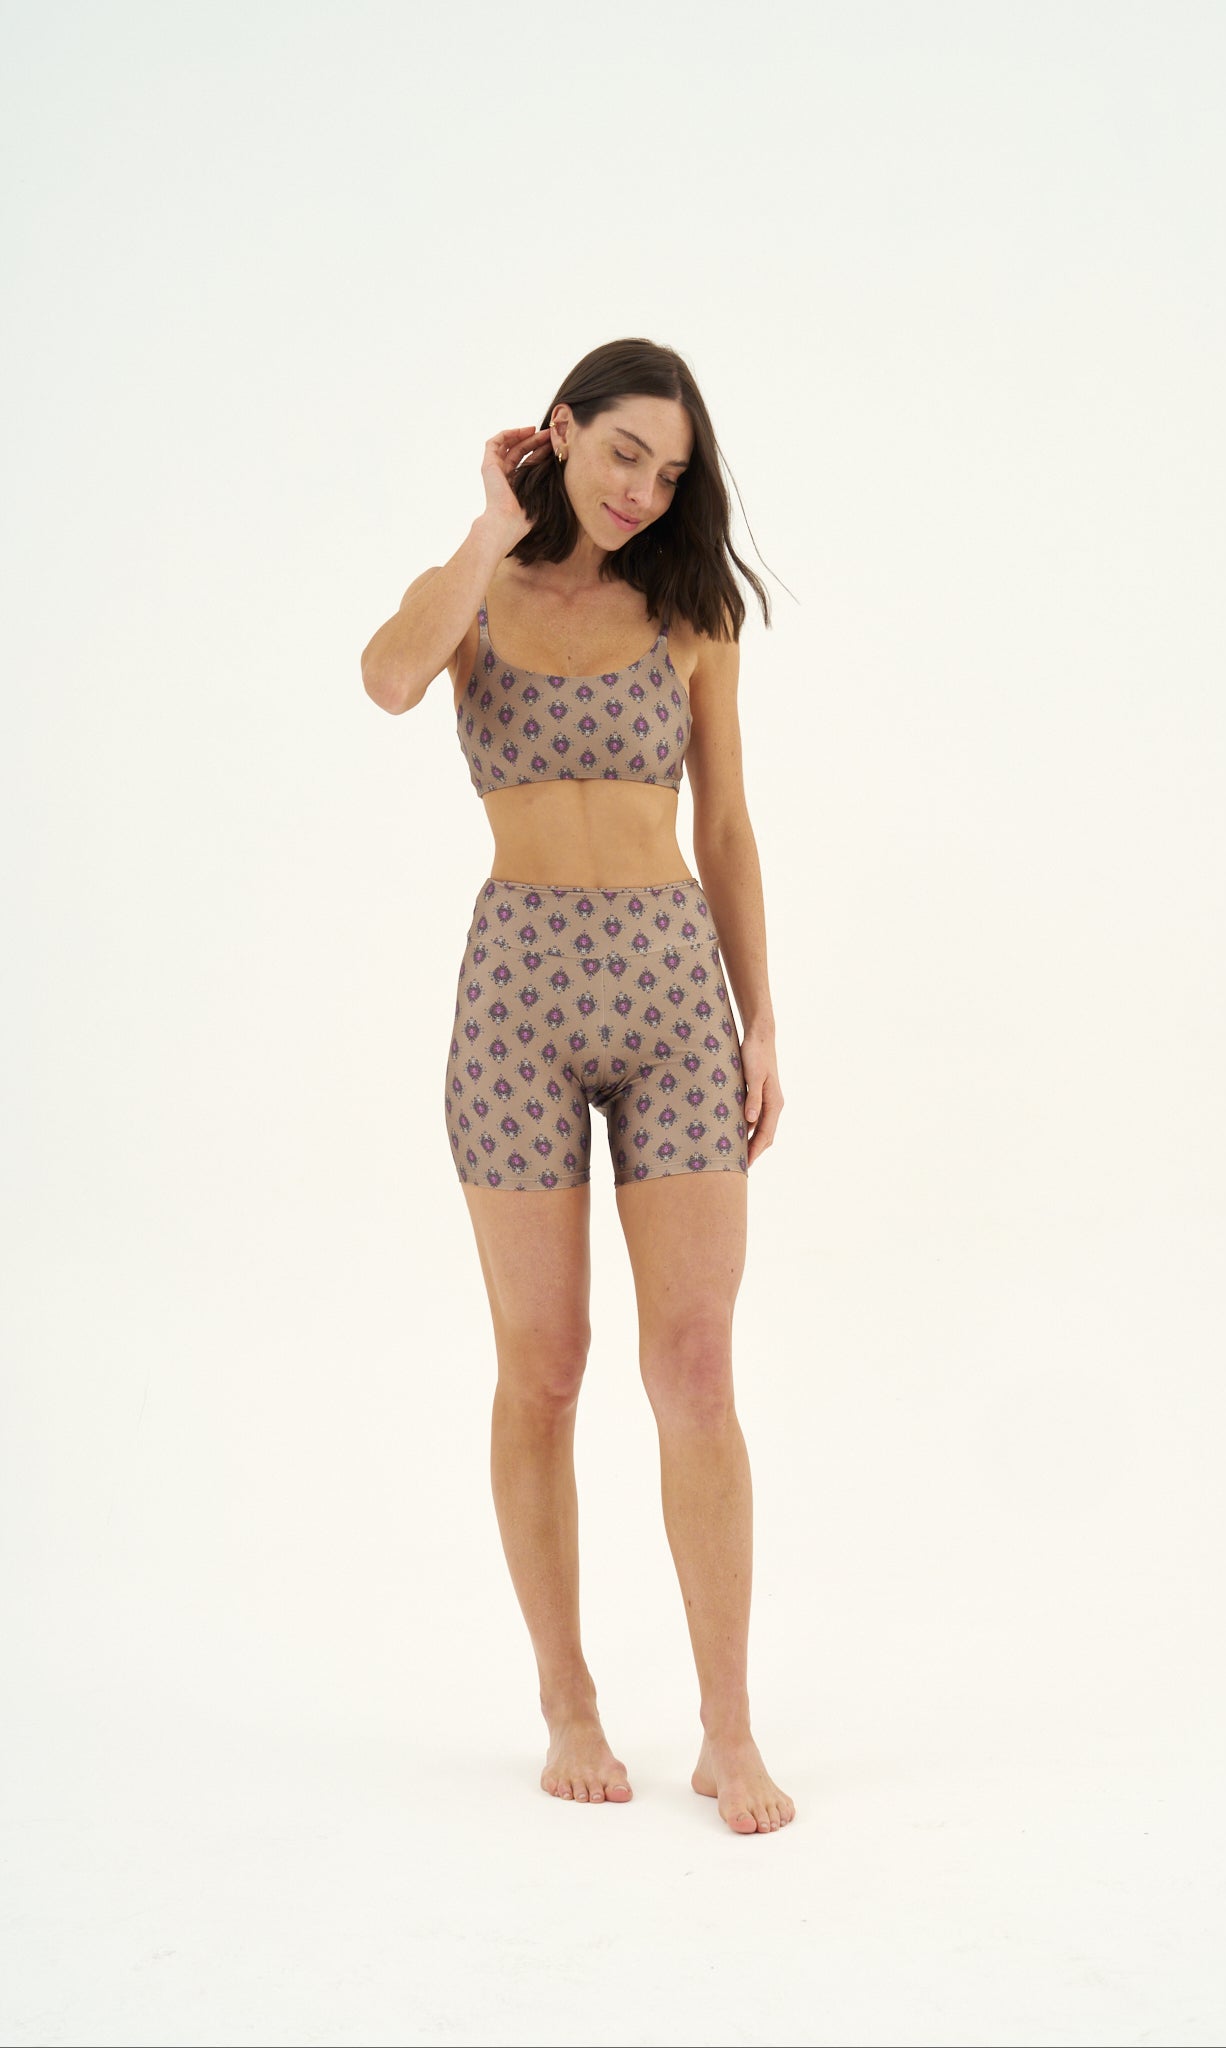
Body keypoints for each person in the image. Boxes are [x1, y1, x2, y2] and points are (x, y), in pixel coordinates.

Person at [361, 338, 794, 1836]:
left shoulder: (690, 610)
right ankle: (568, 1700)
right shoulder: (474, 593)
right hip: (518, 1002)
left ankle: (727, 1729)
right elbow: (387, 678)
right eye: (623, 455)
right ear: (560, 431)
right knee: (543, 1368)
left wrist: (760, 1021)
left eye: (669, 475)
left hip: (673, 994)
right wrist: (488, 527)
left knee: (696, 1369)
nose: (643, 492)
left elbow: (726, 824)